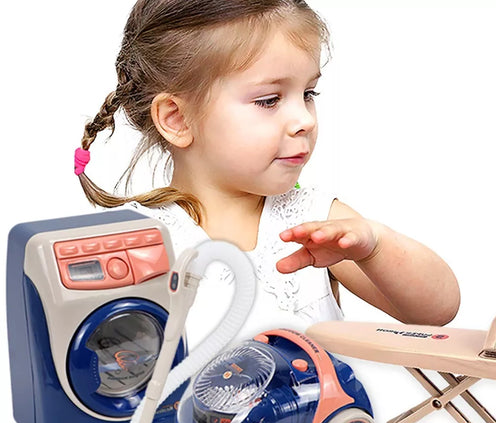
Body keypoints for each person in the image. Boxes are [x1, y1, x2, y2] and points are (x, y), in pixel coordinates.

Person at [74, 0, 460, 343]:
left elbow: (435, 313)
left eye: (308, 94)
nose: (304, 120)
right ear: (177, 119)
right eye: (269, 100)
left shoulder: (316, 222)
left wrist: (375, 247)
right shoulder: (133, 243)